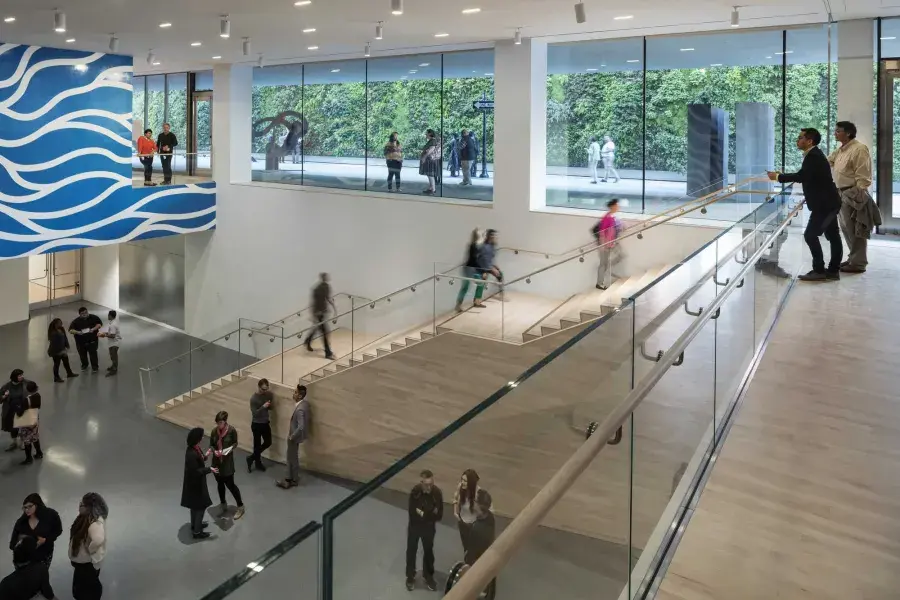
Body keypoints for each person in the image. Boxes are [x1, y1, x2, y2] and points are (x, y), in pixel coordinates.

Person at [768, 128, 843, 282]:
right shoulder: (813, 155)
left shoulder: (814, 156)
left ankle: (820, 270)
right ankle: (833, 271)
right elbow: (809, 176)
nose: (798, 140)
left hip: (824, 204)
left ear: (809, 141)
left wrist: (777, 177)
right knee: (833, 235)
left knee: (811, 235)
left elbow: (802, 176)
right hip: (828, 202)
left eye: (800, 137)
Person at [829, 121, 878, 274]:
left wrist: (858, 193)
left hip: (853, 193)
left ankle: (858, 263)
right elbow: (827, 161)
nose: (835, 133)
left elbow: (863, 175)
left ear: (848, 133)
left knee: (856, 229)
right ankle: (853, 258)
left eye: (838, 131)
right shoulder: (841, 150)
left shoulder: (859, 149)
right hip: (841, 193)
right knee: (846, 228)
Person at [405, 469, 443, 591]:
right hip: (415, 527)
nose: (429, 487)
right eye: (426, 484)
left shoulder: (437, 493)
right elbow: (412, 512)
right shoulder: (415, 492)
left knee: (428, 552)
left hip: (429, 528)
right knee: (411, 551)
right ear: (421, 483)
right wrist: (428, 514)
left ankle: (428, 576)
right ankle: (410, 576)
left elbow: (439, 515)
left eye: (431, 484)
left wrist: (423, 513)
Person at [69, 492, 108, 599]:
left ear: (89, 507)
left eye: (82, 505)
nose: (79, 506)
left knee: (85, 591)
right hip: (82, 563)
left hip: (87, 565)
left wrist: (89, 549)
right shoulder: (84, 518)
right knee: (80, 590)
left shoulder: (95, 523)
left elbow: (98, 539)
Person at [209, 411, 245, 519]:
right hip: (216, 462)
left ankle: (240, 506)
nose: (219, 425)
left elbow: (235, 443)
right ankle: (223, 504)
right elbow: (211, 444)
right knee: (219, 484)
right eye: (217, 423)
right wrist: (214, 450)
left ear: (225, 422)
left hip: (227, 463)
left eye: (220, 422)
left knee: (230, 485)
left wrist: (228, 450)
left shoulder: (231, 430)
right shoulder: (214, 431)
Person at [181, 428, 216, 540]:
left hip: (196, 483)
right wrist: (209, 469)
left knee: (194, 506)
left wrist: (207, 454)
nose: (202, 438)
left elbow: (201, 459)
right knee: (200, 507)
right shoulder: (191, 454)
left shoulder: (195, 448)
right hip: (195, 485)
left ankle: (195, 525)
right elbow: (196, 471)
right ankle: (197, 532)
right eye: (201, 437)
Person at [9, 494, 63, 566]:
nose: (27, 510)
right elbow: (12, 545)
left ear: (37, 505)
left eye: (30, 506)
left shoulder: (51, 515)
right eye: (25, 507)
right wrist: (21, 543)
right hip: (26, 560)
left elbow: (58, 530)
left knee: (41, 575)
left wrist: (46, 540)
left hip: (44, 555)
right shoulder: (21, 522)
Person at [277, 384, 309, 489]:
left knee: (290, 458)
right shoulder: (304, 404)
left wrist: (292, 436)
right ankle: (292, 478)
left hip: (293, 437)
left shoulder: (299, 409)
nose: (293, 394)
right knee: (293, 457)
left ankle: (289, 479)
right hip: (296, 437)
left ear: (300, 396)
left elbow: (301, 426)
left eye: (295, 392)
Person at [453, 469, 490, 555]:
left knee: (475, 550)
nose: (462, 482)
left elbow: (485, 512)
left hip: (474, 526)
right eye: (462, 480)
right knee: (466, 548)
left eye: (465, 481)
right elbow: (455, 498)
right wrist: (455, 513)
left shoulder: (479, 494)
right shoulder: (461, 488)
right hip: (463, 522)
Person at [304, 272, 337, 360]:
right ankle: (328, 353)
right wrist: (333, 308)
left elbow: (321, 300)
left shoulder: (318, 288)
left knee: (319, 328)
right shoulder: (322, 288)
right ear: (324, 278)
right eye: (327, 276)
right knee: (324, 332)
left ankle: (308, 341)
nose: (328, 277)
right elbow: (321, 300)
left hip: (320, 312)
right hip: (320, 313)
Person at [594, 199, 624, 290]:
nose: (618, 207)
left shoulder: (612, 217)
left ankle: (608, 269)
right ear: (612, 207)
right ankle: (599, 283)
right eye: (616, 205)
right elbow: (602, 233)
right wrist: (603, 245)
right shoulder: (606, 218)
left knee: (620, 256)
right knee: (603, 264)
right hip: (605, 245)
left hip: (612, 243)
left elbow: (614, 230)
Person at [246, 379, 274, 473]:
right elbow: (255, 414)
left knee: (268, 442)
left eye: (266, 389)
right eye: (263, 389)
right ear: (258, 387)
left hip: (265, 422)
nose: (264, 391)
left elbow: (271, 407)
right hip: (257, 424)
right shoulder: (253, 399)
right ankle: (258, 463)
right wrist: (263, 407)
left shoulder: (269, 395)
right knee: (257, 445)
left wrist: (270, 405)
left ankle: (251, 458)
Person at [14, 382, 43, 465]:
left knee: (27, 440)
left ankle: (28, 458)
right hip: (35, 420)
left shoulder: (27, 400)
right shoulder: (38, 396)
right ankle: (39, 453)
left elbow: (20, 412)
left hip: (27, 422)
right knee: (35, 437)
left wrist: (17, 408)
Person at [455, 228, 483, 312]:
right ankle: (458, 305)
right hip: (469, 269)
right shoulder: (472, 246)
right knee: (465, 287)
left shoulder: (475, 245)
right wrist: (481, 269)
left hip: (472, 269)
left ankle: (476, 301)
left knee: (480, 283)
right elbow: (473, 260)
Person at [68, 307, 103, 373]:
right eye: (82, 313)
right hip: (81, 342)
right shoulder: (76, 321)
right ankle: (84, 365)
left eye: (86, 312)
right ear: (79, 314)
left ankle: (95, 367)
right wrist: (78, 332)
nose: (84, 314)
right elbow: (70, 330)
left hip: (92, 341)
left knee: (93, 354)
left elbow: (99, 324)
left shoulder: (94, 317)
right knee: (82, 355)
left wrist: (93, 329)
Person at [475, 229, 503, 307]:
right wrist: (488, 270)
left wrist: (494, 265)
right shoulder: (485, 247)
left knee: (500, 275)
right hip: (481, 267)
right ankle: (477, 301)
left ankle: (501, 294)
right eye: (493, 236)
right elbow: (484, 260)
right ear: (489, 237)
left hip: (488, 266)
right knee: (482, 282)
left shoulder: (492, 246)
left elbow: (490, 258)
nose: (495, 237)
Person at [1, 369, 26, 452]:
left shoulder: (25, 384)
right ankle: (14, 442)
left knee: (23, 427)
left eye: (22, 375)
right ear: (14, 377)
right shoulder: (6, 386)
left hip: (22, 410)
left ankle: (22, 442)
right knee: (12, 427)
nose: (22, 377)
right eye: (19, 376)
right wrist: (4, 396)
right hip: (11, 411)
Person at [47, 318, 78, 383]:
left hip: (62, 350)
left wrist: (67, 345)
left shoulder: (61, 329)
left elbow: (64, 338)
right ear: (56, 324)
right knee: (56, 365)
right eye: (60, 323)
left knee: (66, 362)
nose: (61, 324)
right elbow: (55, 344)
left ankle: (69, 373)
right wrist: (61, 351)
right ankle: (56, 377)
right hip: (56, 351)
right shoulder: (53, 333)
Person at [97, 311, 121, 377]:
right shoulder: (112, 322)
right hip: (112, 342)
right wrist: (104, 332)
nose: (108, 316)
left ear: (110, 315)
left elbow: (113, 336)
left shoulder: (113, 325)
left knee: (114, 357)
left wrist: (103, 335)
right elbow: (109, 331)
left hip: (114, 343)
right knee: (112, 356)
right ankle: (113, 366)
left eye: (108, 315)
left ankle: (114, 370)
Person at [419, 129, 442, 195]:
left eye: (426, 133)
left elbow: (430, 150)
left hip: (430, 160)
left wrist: (424, 157)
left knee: (430, 174)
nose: (426, 134)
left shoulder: (433, 141)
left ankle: (433, 189)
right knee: (429, 174)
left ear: (430, 134)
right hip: (430, 160)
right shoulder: (432, 140)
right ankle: (431, 188)